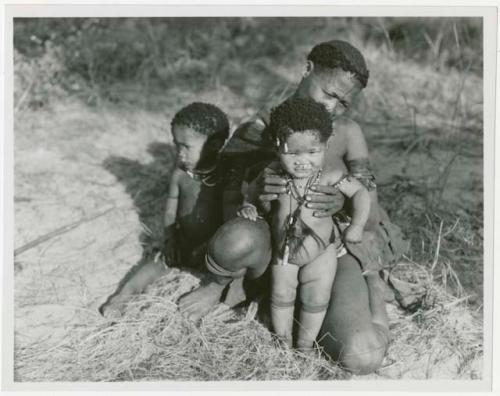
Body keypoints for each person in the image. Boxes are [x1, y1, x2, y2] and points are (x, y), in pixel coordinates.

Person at [178, 40, 408, 374]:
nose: (333, 107)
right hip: (272, 247)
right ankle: (219, 287)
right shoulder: (258, 130)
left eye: (344, 102)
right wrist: (254, 196)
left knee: (363, 355)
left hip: (331, 249)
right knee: (237, 239)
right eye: (329, 93)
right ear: (307, 70)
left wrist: (342, 199)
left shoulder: (345, 133)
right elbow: (226, 212)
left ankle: (359, 287)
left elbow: (369, 220)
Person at [238, 97, 371, 352]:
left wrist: (356, 226)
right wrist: (249, 205)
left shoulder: (331, 174)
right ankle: (283, 340)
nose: (303, 161)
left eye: (312, 152)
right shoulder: (273, 172)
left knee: (316, 298)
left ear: (326, 145)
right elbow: (250, 191)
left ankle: (304, 345)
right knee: (281, 295)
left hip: (322, 255)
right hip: (285, 252)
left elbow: (361, 193)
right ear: (278, 146)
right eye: (293, 153)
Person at [99, 102, 229, 316]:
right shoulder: (180, 175)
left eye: (186, 147)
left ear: (214, 145)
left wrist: (208, 246)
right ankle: (121, 297)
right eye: (176, 146)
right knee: (155, 262)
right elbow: (171, 210)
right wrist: (170, 237)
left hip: (211, 248)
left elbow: (227, 219)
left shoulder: (225, 177)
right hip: (183, 242)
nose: (180, 154)